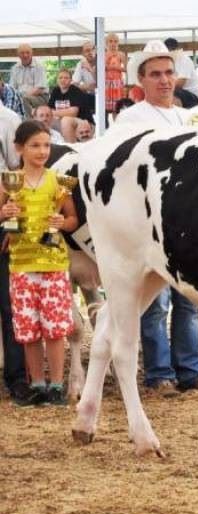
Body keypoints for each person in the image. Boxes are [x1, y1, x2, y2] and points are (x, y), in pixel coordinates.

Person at [115, 40, 198, 395]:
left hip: (188, 220)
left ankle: (189, 370)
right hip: (149, 221)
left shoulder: (188, 116)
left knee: (188, 299)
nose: (164, 80)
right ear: (140, 81)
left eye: (169, 73)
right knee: (154, 303)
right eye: (155, 74)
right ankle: (159, 374)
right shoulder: (129, 119)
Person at [0, 120, 78, 405]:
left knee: (55, 329)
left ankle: (56, 385)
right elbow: (2, 217)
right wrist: (5, 212)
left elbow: (72, 220)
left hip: (53, 264)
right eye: (35, 145)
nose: (42, 151)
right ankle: (38, 384)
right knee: (28, 330)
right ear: (19, 148)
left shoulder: (58, 182)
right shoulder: (9, 181)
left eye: (46, 145)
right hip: (20, 266)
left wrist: (62, 221)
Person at [0, 102, 31, 406]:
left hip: (2, 213)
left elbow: (14, 176)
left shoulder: (7, 118)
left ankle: (17, 378)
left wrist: (11, 225)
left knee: (10, 305)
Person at [48, 68, 91, 142]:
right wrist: (50, 113)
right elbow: (49, 109)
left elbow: (73, 113)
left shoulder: (75, 91)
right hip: (62, 121)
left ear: (71, 80)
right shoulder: (55, 91)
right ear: (57, 80)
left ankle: (71, 149)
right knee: (43, 119)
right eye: (60, 78)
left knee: (66, 120)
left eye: (66, 78)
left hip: (82, 122)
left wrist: (53, 113)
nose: (63, 80)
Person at [9, 44, 48, 118]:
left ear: (32, 53)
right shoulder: (14, 68)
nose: (25, 55)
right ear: (18, 55)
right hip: (21, 96)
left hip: (40, 97)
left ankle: (28, 124)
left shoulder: (39, 66)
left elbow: (39, 89)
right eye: (22, 53)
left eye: (27, 52)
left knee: (24, 99)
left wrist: (20, 97)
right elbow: (12, 88)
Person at [164, 38, 198, 109]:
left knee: (172, 90)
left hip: (193, 96)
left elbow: (180, 84)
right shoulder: (170, 60)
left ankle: (176, 116)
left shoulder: (184, 59)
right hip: (182, 93)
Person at [104, 33, 127, 115]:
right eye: (110, 41)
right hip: (106, 83)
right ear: (106, 43)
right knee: (104, 108)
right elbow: (101, 68)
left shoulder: (121, 54)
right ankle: (105, 126)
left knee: (117, 108)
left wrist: (117, 68)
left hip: (117, 83)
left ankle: (117, 126)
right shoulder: (103, 54)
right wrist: (108, 60)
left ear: (118, 43)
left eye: (115, 41)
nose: (113, 43)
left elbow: (127, 69)